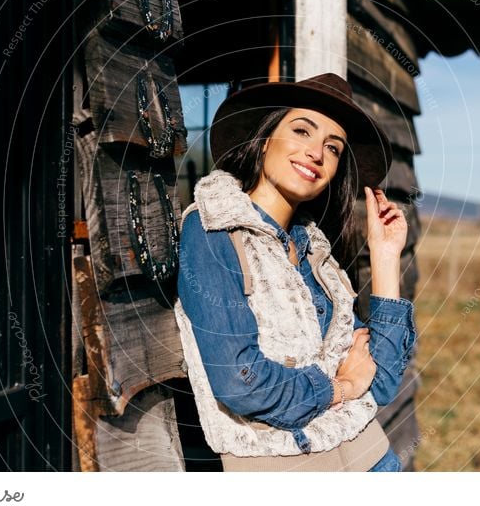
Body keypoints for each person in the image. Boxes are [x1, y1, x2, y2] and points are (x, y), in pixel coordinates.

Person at [173, 73, 418, 472]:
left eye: (333, 148)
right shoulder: (213, 229)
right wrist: (341, 387)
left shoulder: (317, 255)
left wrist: (386, 256)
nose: (316, 153)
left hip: (376, 462)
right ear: (264, 136)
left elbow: (384, 381)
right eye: (302, 130)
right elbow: (240, 380)